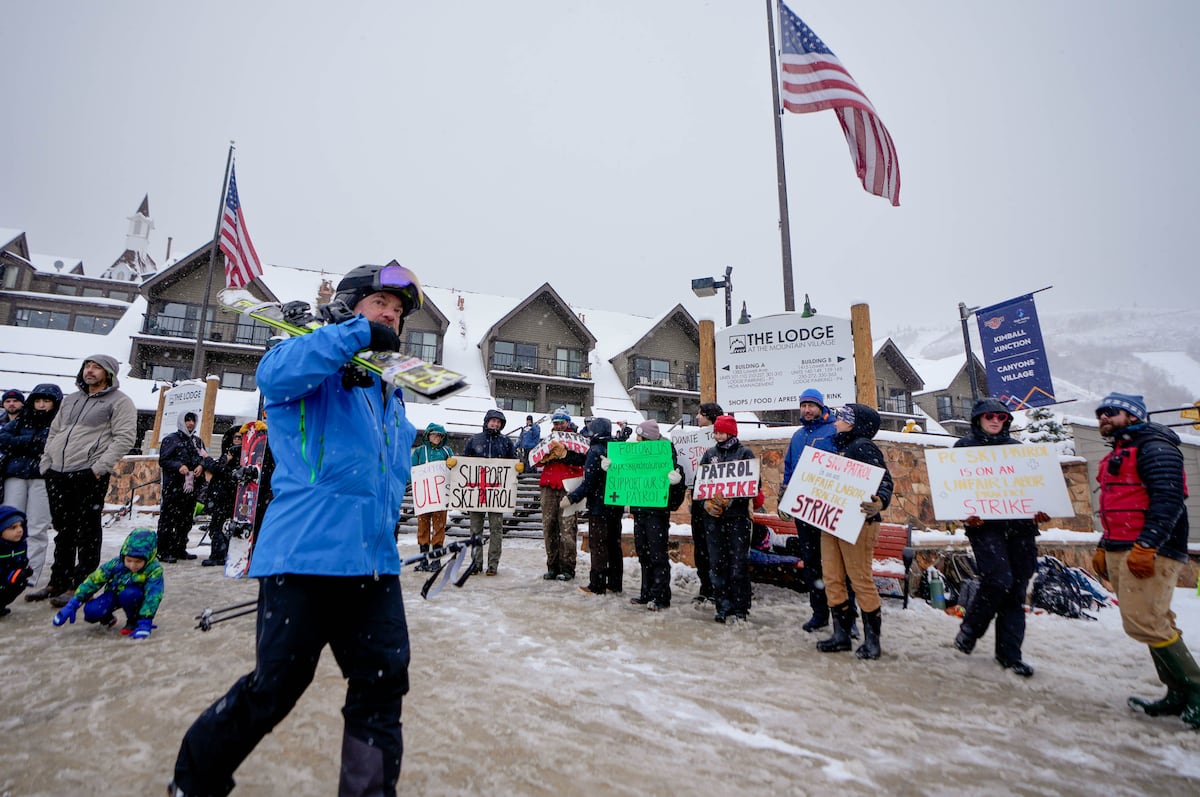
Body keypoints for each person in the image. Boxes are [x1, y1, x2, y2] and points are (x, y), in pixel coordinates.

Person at [171, 261, 423, 797]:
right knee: (275, 689)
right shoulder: (302, 362)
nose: (390, 318)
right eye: (380, 305)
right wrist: (351, 336)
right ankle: (195, 781)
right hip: (304, 557)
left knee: (381, 690)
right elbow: (275, 376)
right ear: (348, 305)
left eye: (397, 313)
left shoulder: (388, 392)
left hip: (374, 563)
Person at [1092, 392, 1199, 727]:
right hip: (1122, 546)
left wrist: (1148, 546)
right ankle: (1177, 693)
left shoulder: (1156, 447)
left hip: (1150, 550)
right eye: (1100, 414)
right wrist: (1103, 544)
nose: (1103, 418)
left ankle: (1196, 691)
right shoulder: (1121, 451)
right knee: (1156, 619)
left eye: (1111, 412)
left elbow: (1168, 500)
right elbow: (1117, 506)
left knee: (1144, 622)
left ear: (1134, 416)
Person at [951, 398, 1048, 678]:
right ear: (978, 419)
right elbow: (955, 489)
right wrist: (964, 514)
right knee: (998, 579)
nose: (996, 421)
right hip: (985, 527)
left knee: (1016, 590)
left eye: (1002, 417)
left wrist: (1041, 510)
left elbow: (1036, 490)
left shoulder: (1018, 451)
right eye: (990, 416)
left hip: (1021, 528)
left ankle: (1010, 654)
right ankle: (970, 629)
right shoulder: (964, 449)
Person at [30, 355, 136, 608]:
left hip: (87, 473)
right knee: (63, 531)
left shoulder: (120, 402)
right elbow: (54, 432)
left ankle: (80, 585)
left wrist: (98, 469)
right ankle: (58, 580)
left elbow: (124, 437)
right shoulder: (71, 399)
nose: (89, 371)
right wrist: (47, 462)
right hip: (57, 471)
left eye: (96, 367)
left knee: (87, 531)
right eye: (87, 366)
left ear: (108, 373)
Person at [816, 404, 893, 659]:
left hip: (859, 521)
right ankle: (841, 634)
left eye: (842, 418)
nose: (836, 421)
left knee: (860, 579)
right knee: (833, 577)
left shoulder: (862, 446)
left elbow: (884, 480)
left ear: (854, 423)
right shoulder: (841, 446)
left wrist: (879, 501)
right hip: (834, 519)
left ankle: (873, 640)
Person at [779, 388, 839, 632]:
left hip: (829, 508)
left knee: (836, 564)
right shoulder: (797, 436)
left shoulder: (834, 431)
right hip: (805, 510)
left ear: (821, 407)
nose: (807, 409)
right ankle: (820, 613)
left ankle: (844, 616)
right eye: (803, 405)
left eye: (811, 405)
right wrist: (784, 494)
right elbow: (789, 468)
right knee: (812, 563)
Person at [697, 415, 760, 623]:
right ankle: (722, 605)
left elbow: (753, 485)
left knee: (738, 563)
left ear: (731, 432)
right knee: (717, 562)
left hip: (737, 518)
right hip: (714, 519)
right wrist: (706, 502)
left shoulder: (744, 453)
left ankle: (740, 606)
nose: (717, 435)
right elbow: (701, 483)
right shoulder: (710, 454)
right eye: (715, 432)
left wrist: (732, 499)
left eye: (721, 432)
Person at [0, 383, 62, 587]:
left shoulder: (59, 423)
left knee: (37, 527)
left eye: (46, 401)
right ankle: (6, 571)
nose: (42, 405)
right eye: (38, 401)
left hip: (42, 477)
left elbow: (52, 446)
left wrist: (23, 443)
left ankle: (29, 576)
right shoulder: (22, 419)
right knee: (9, 524)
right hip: (15, 476)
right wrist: (32, 442)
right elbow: (3, 438)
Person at [51, 527, 164, 638]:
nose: (132, 566)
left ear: (149, 558)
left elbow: (153, 595)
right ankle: (107, 618)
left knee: (130, 594)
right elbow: (94, 580)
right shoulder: (115, 564)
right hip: (114, 594)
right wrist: (73, 603)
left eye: (138, 562)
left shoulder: (154, 570)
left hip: (134, 597)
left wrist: (146, 619)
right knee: (91, 611)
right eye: (129, 560)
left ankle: (134, 621)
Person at [566, 417, 624, 595]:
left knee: (598, 545)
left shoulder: (595, 450)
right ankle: (615, 583)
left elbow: (588, 483)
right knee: (614, 544)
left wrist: (572, 497)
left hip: (599, 507)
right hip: (616, 504)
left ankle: (597, 584)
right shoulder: (617, 449)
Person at [628, 419, 682, 610]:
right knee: (643, 553)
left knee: (657, 554)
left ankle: (660, 597)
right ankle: (647, 593)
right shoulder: (637, 457)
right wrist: (613, 467)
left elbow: (677, 490)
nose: (636, 439)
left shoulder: (665, 457)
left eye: (639, 436)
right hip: (640, 510)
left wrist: (675, 484)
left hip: (657, 513)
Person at [462, 409, 522, 576]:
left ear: (501, 425)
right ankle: (476, 563)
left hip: (497, 494)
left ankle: (493, 564)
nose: (495, 424)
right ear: (487, 421)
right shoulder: (474, 440)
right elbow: (464, 462)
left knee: (496, 529)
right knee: (475, 530)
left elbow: (515, 462)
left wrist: (519, 466)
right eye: (492, 421)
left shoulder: (506, 442)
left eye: (498, 422)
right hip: (476, 493)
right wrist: (455, 465)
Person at [538, 407, 584, 581]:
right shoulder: (548, 440)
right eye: (556, 423)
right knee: (549, 527)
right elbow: (535, 459)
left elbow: (583, 460)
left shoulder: (578, 440)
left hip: (568, 487)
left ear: (568, 422)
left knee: (567, 529)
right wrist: (543, 457)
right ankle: (552, 566)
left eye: (561, 422)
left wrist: (565, 455)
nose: (558, 425)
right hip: (548, 486)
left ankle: (567, 568)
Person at [157, 411, 208, 563]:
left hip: (190, 489)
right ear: (181, 421)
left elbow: (204, 458)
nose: (190, 423)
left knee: (185, 520)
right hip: (174, 487)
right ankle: (163, 550)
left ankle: (179, 548)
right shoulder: (171, 439)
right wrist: (179, 466)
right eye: (187, 420)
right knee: (168, 519)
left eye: (193, 420)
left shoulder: (197, 441)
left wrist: (201, 466)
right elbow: (163, 460)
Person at [689, 402, 723, 605]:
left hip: (716, 503)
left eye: (700, 414)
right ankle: (705, 586)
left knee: (715, 548)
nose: (696, 418)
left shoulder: (722, 442)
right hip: (698, 500)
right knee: (700, 547)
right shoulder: (694, 440)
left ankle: (716, 588)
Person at [411, 422, 455, 571]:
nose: (437, 437)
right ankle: (423, 560)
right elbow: (412, 471)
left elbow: (454, 470)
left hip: (441, 497)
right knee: (422, 528)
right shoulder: (419, 451)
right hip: (424, 497)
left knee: (439, 528)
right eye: (434, 434)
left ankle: (436, 561)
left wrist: (453, 464)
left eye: (439, 435)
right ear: (428, 435)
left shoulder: (447, 451)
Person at [200, 425, 243, 567]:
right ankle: (221, 554)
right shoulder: (231, 452)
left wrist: (208, 460)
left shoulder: (237, 453)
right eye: (236, 437)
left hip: (227, 495)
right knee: (218, 526)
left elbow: (220, 470)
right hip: (222, 494)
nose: (239, 440)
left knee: (219, 527)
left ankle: (219, 555)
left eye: (241, 437)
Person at [0, 505, 32, 617]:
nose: (19, 530)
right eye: (13, 527)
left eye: (20, 526)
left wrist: (24, 570)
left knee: (20, 582)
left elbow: (22, 561)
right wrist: (8, 575)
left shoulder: (20, 545)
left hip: (6, 580)